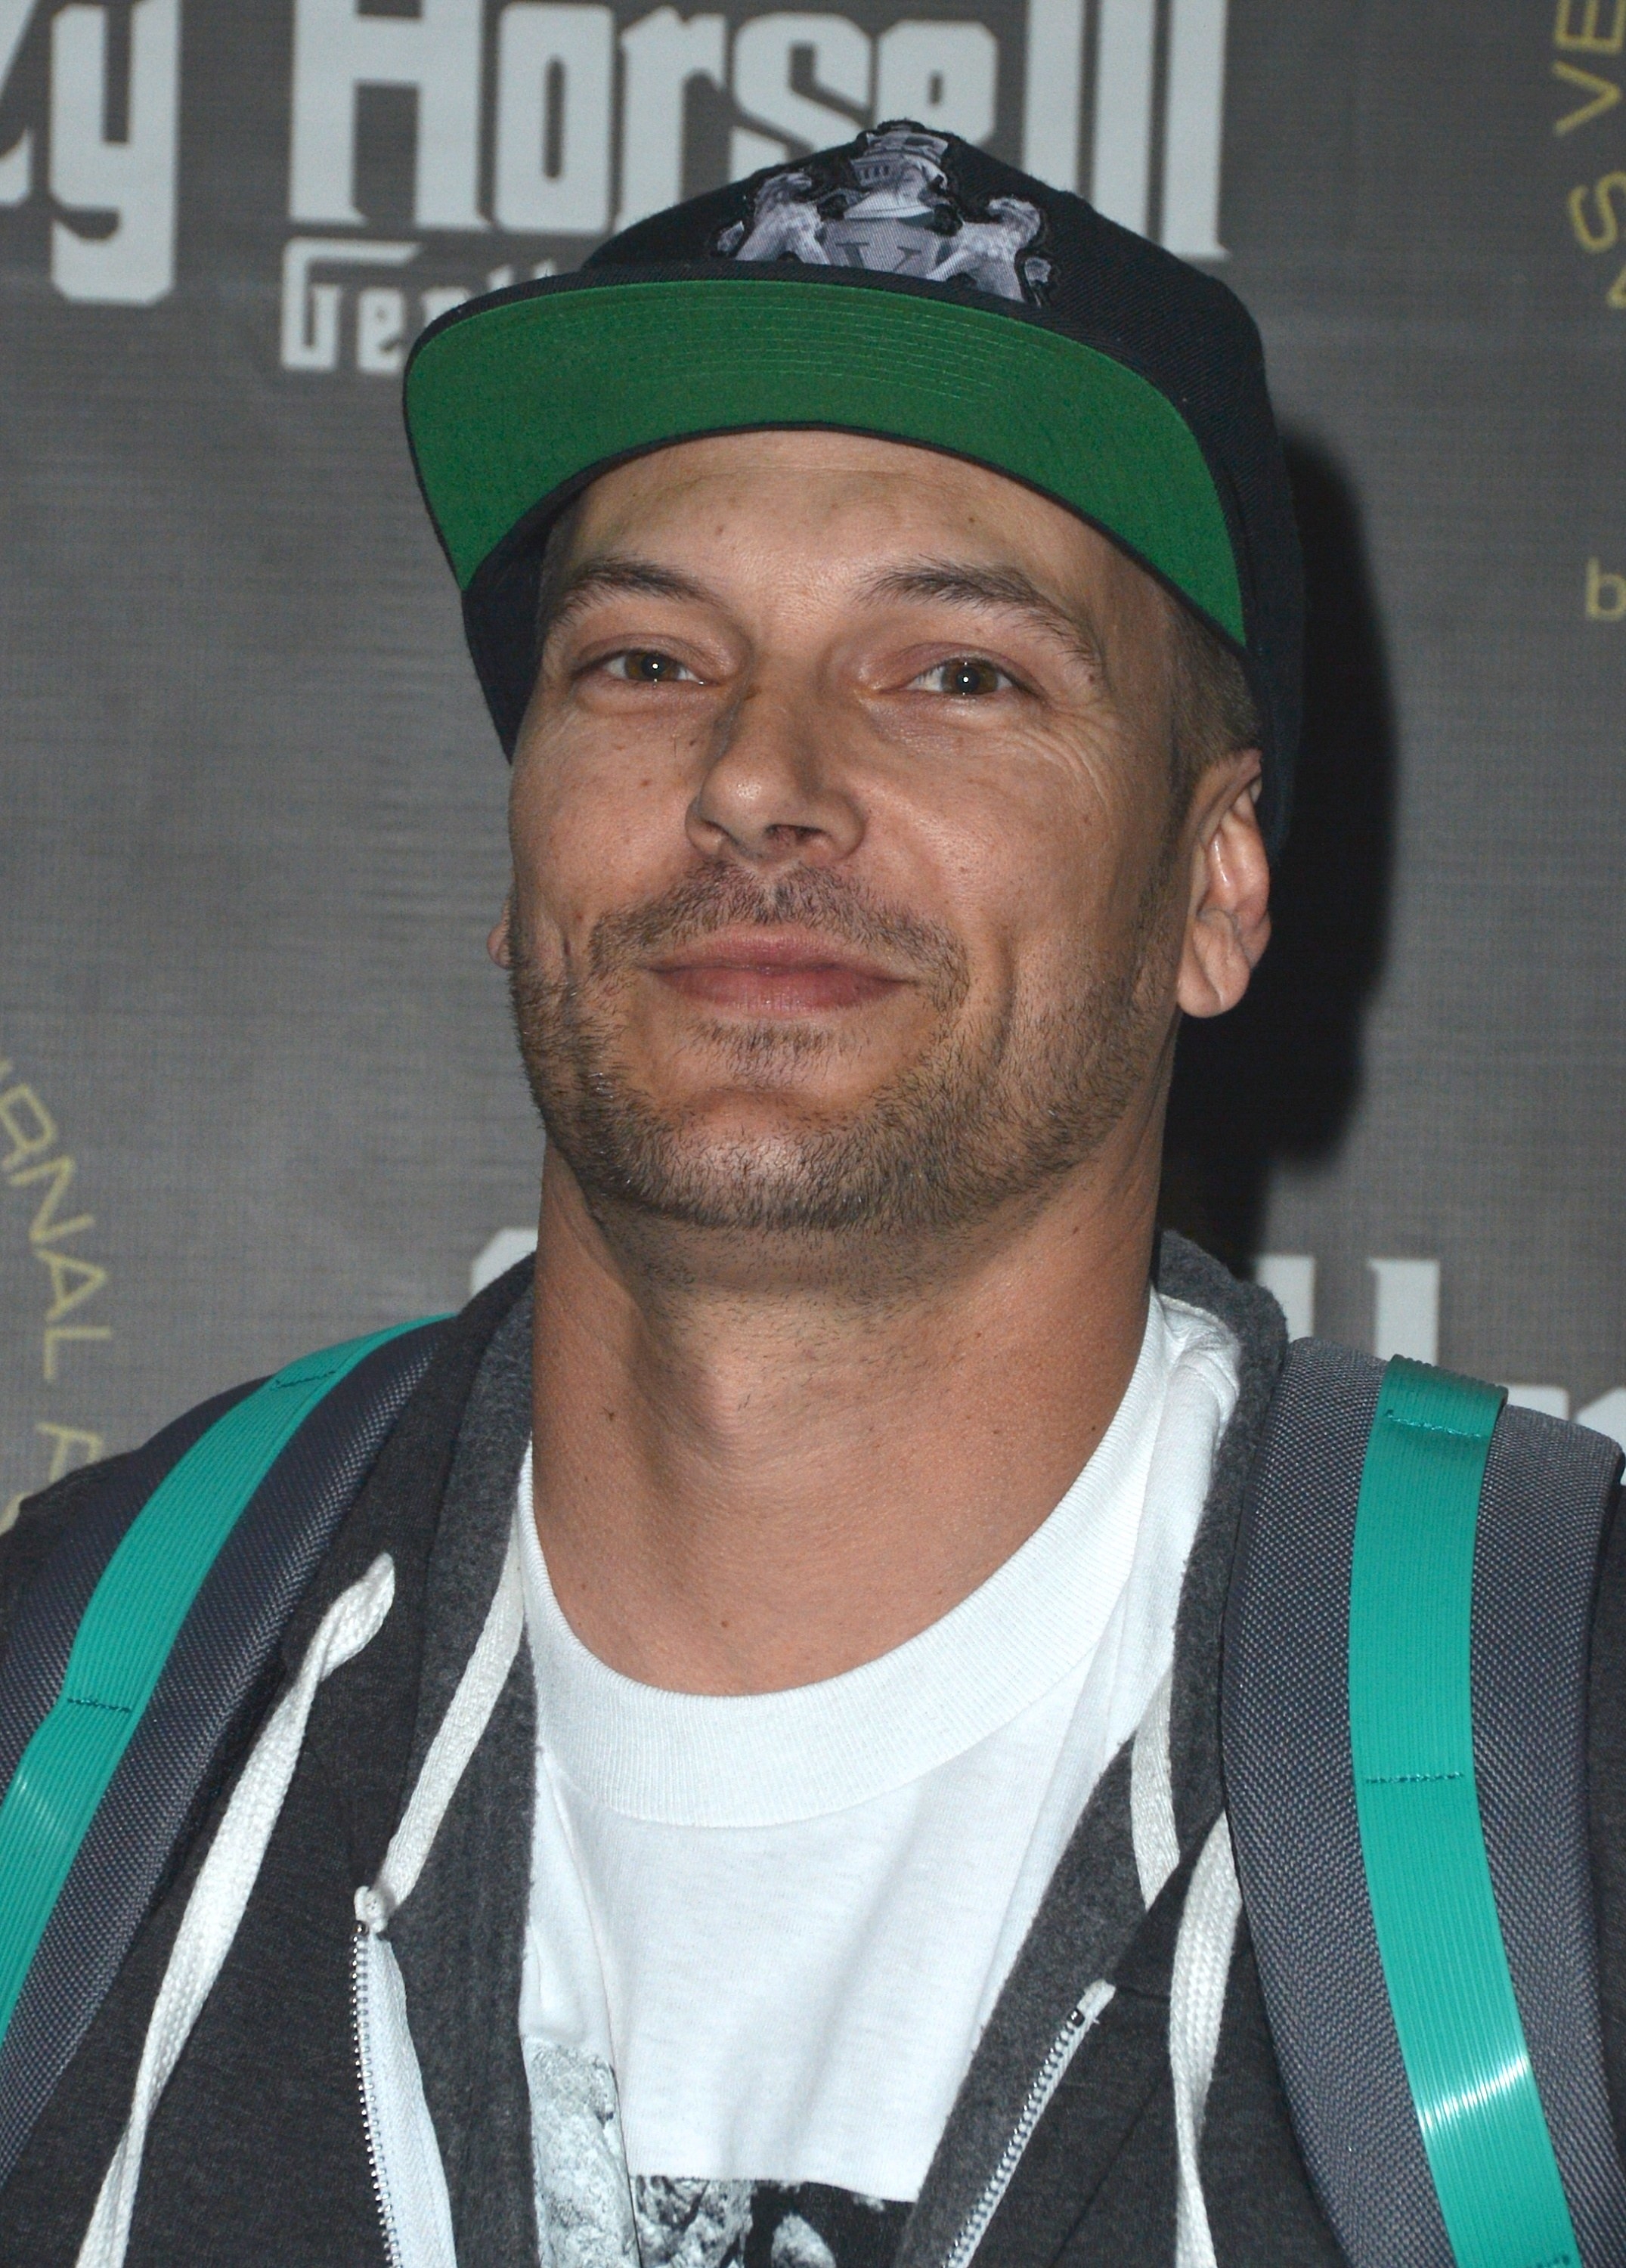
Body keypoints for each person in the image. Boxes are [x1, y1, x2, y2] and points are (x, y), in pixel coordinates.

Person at [1, 123, 1622, 2268]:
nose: (760, 777)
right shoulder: (72, 1702)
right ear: (516, 852)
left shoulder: (1568, 1762)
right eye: (647, 664)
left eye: (959, 673)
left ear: (1214, 890)